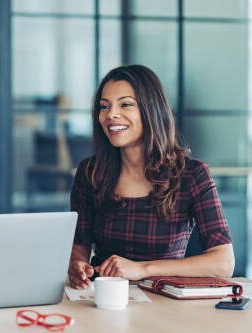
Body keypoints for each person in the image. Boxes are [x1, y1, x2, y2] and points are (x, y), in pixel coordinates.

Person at [68, 65, 235, 289]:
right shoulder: (90, 172)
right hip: (103, 296)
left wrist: (142, 269)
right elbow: (80, 245)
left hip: (164, 300)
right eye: (104, 106)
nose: (111, 114)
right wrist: (78, 265)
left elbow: (223, 263)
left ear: (151, 110)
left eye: (125, 104)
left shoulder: (192, 175)